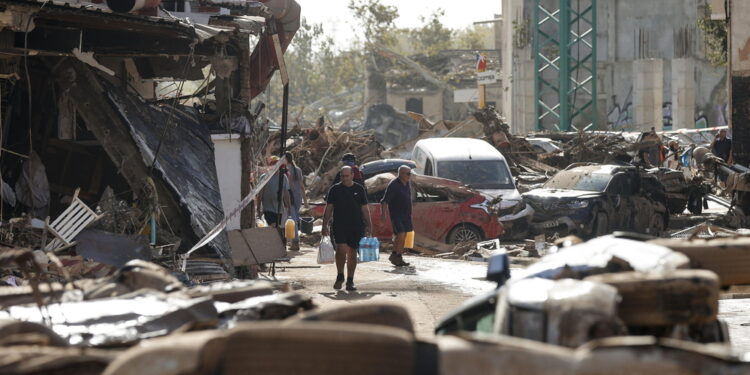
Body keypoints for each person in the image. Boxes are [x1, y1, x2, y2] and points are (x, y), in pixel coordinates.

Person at [322, 166, 371, 291]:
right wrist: (324, 225)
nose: (344, 178)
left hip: (356, 225)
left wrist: (369, 226)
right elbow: (329, 208)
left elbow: (365, 209)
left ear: (352, 175)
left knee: (352, 252)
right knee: (341, 249)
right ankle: (340, 276)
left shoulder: (359, 189)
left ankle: (350, 280)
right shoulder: (335, 189)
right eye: (342, 176)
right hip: (339, 224)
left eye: (347, 176)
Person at [381, 166, 413, 267]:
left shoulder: (407, 183)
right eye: (408, 174)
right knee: (401, 234)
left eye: (410, 173)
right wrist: (383, 215)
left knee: (404, 236)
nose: (409, 176)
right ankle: (395, 256)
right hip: (397, 215)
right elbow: (384, 201)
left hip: (406, 215)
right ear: (401, 174)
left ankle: (397, 256)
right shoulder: (394, 185)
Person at [257, 156, 291, 228]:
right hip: (268, 208)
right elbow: (260, 194)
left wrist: (289, 207)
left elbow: (286, 194)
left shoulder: (283, 177)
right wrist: (258, 208)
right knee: (273, 226)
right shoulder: (264, 177)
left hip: (279, 209)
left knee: (276, 227)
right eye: (274, 164)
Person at [284, 152, 308, 251]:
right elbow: (302, 186)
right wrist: (305, 200)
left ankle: (295, 242)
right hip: (298, 197)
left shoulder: (286, 170)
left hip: (290, 198)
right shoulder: (298, 169)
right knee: (294, 219)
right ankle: (292, 241)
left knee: (292, 219)